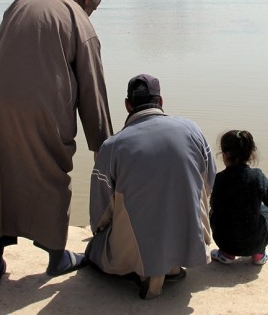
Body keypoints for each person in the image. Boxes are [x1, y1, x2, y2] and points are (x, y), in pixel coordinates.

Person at [0, 0, 114, 288]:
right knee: (52, 174)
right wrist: (103, 143)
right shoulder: (79, 20)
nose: (90, 15)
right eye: (93, 9)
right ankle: (57, 257)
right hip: (41, 105)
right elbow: (92, 88)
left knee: (0, 174)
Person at [86, 74, 216, 299]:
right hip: (192, 242)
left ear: (127, 105)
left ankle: (146, 272)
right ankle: (172, 265)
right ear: (161, 101)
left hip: (137, 252)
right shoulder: (193, 130)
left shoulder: (113, 146)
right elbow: (210, 183)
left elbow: (100, 215)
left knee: (94, 249)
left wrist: (100, 234)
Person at [209, 130, 268, 266]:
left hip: (225, 242)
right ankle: (259, 254)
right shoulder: (257, 177)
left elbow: (215, 206)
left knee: (213, 212)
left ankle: (226, 254)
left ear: (225, 154)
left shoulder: (219, 179)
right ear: (250, 154)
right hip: (255, 242)